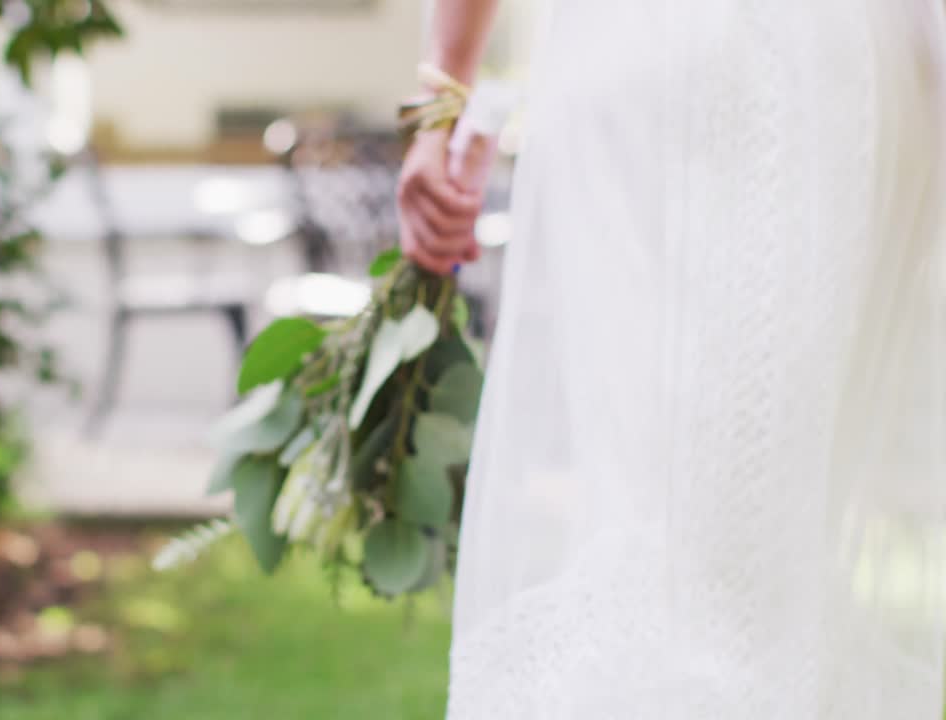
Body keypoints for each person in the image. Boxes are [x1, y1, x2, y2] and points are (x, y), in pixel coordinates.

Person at [397, 1, 946, 717]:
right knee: (717, 560)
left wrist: (442, 106)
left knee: (703, 556)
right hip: (822, 74)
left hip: (734, 74)